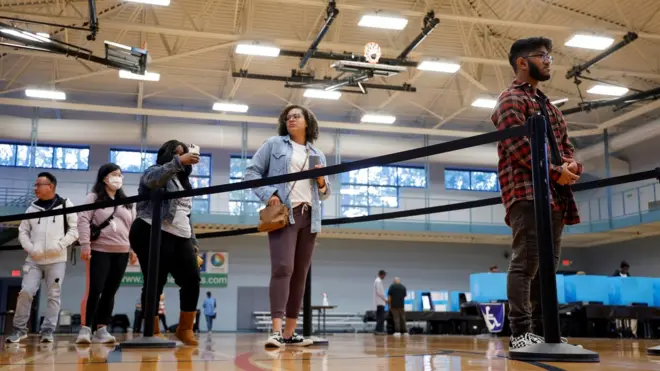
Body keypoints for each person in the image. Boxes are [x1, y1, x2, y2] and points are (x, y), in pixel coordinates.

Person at [491, 36, 583, 349]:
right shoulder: (509, 99)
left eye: (549, 57)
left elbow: (566, 145)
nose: (548, 61)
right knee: (525, 264)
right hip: (526, 193)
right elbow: (518, 147)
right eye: (542, 56)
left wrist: (570, 167)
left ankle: (546, 333)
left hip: (555, 196)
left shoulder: (549, 107)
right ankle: (520, 334)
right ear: (522, 62)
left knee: (547, 268)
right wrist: (557, 171)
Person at [244, 104, 331, 348]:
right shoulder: (274, 144)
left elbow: (324, 193)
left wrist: (322, 180)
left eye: (296, 116)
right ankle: (275, 331)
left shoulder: (318, 154)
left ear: (307, 122)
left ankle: (290, 334)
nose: (291, 119)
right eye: (288, 117)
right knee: (283, 268)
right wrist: (269, 193)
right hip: (285, 214)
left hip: (310, 216)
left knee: (300, 275)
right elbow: (251, 173)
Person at [129, 139, 201, 346]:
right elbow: (152, 181)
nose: (182, 157)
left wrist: (193, 241)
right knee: (155, 281)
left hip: (181, 235)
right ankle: (152, 330)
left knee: (192, 279)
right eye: (177, 153)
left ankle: (185, 328)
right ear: (167, 155)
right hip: (151, 230)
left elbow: (186, 214)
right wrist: (178, 162)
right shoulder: (154, 170)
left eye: (184, 154)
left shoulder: (185, 182)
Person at [7, 172, 78, 343]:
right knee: (25, 292)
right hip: (34, 260)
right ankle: (19, 329)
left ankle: (47, 331)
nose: (35, 188)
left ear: (51, 186)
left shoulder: (66, 205)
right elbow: (23, 232)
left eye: (39, 184)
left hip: (57, 260)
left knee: (53, 295)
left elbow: (74, 231)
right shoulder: (31, 208)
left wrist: (59, 245)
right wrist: (31, 248)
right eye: (35, 185)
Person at [76, 163, 137, 344]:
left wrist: (133, 249)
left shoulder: (128, 203)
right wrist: (85, 244)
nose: (118, 178)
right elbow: (83, 220)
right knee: (95, 289)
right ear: (104, 178)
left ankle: (102, 328)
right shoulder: (93, 197)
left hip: (122, 251)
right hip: (100, 250)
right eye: (114, 174)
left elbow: (132, 228)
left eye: (120, 174)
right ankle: (86, 328)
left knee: (111, 291)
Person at [373, 270, 387, 335]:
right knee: (381, 317)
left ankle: (378, 330)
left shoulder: (377, 281)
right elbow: (380, 292)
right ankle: (379, 330)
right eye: (384, 275)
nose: (384, 277)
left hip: (379, 302)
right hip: (380, 301)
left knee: (379, 317)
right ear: (382, 275)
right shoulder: (378, 281)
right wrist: (385, 299)